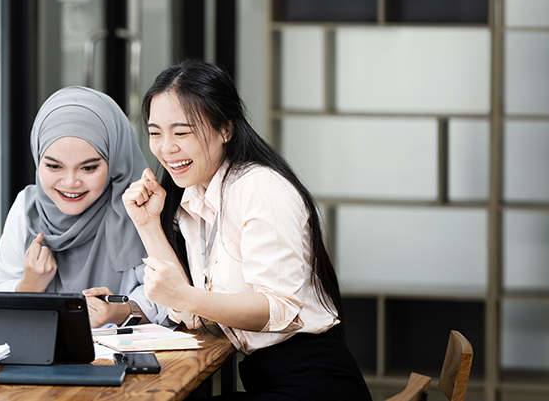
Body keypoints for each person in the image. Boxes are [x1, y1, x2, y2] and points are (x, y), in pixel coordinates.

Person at [122, 61, 372, 400]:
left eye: (181, 132)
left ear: (225, 129)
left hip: (315, 384)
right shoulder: (196, 197)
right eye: (155, 133)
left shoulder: (258, 188)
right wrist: (148, 224)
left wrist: (184, 296)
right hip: (269, 378)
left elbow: (278, 309)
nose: (166, 148)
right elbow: (193, 314)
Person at [0, 86, 168, 328]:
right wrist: (29, 286)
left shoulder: (138, 208)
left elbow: (170, 300)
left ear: (114, 160)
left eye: (88, 168)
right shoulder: (27, 207)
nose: (70, 183)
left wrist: (120, 312)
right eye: (54, 166)